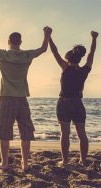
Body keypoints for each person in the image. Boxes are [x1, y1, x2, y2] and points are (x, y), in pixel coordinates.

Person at [0, 27, 52, 170]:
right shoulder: (27, 55)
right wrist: (47, 34)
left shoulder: (4, 55)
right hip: (22, 98)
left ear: (9, 41)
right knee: (25, 132)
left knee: (4, 131)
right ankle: (25, 163)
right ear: (20, 42)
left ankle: (5, 163)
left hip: (7, 97)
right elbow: (44, 48)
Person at [49, 31, 98, 166]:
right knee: (82, 134)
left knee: (65, 134)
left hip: (64, 103)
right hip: (78, 103)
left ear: (68, 59)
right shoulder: (84, 70)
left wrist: (48, 37)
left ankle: (65, 161)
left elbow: (54, 52)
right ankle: (83, 160)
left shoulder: (65, 68)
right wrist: (94, 38)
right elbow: (91, 54)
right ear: (79, 59)